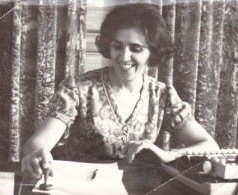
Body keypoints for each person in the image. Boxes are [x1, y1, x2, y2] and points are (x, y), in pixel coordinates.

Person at [21, 3, 219, 178]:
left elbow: (210, 146)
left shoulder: (163, 95)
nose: (124, 57)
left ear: (153, 53)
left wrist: (168, 155)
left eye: (136, 49)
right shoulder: (78, 88)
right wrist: (38, 154)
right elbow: (39, 142)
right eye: (117, 46)